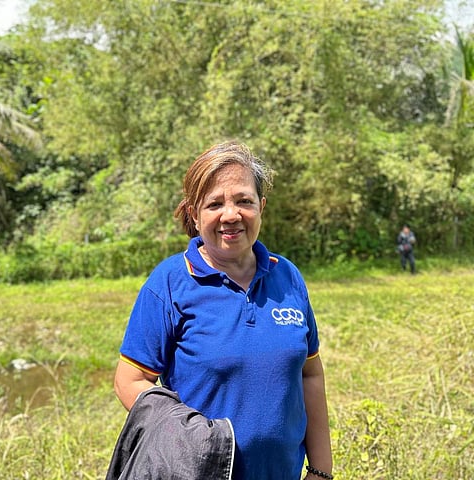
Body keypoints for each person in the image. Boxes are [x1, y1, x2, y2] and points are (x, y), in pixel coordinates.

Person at [113, 141, 333, 480]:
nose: (231, 215)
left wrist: (321, 470)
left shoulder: (287, 277)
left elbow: (310, 374)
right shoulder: (169, 283)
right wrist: (186, 435)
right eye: (214, 204)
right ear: (194, 214)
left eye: (244, 201)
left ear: (261, 206)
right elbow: (129, 380)